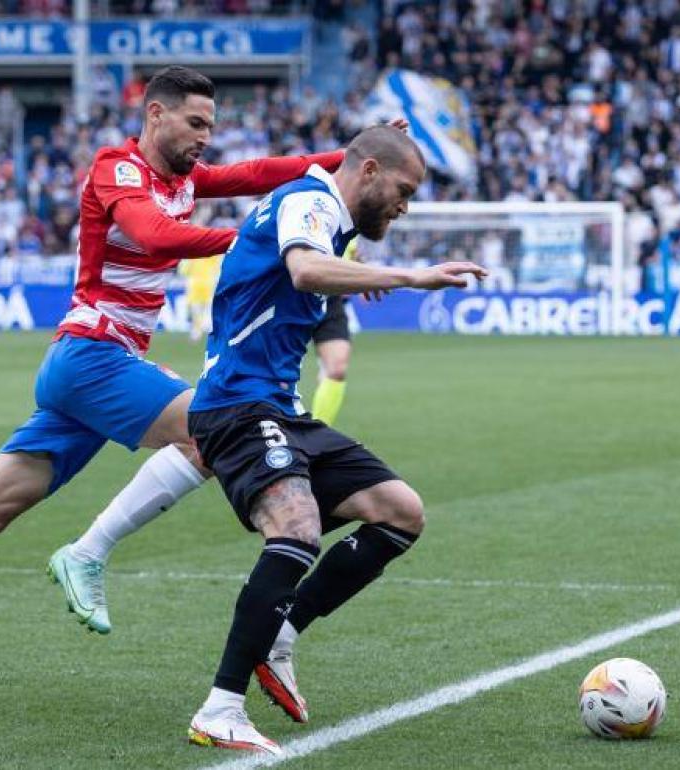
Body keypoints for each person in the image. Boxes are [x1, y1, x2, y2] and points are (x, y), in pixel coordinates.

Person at [0, 66, 350, 680]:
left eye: (211, 127)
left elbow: (259, 172)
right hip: (91, 355)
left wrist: (343, 159)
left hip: (97, 367)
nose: (205, 138)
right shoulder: (117, 167)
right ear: (154, 114)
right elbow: (152, 234)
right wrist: (253, 239)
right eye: (195, 123)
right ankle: (89, 552)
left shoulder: (185, 179)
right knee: (211, 430)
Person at [184, 125, 487, 754]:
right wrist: (407, 276)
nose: (406, 206)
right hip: (236, 405)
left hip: (280, 410)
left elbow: (315, 258)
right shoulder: (310, 201)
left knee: (400, 512)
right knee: (294, 528)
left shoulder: (330, 216)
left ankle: (283, 633)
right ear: (369, 170)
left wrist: (357, 266)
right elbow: (302, 270)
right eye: (403, 191)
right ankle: (220, 708)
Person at [309, 236, 357, 424]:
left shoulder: (354, 222)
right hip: (295, 294)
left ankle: (318, 432)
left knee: (336, 368)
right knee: (276, 373)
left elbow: (351, 255)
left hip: (330, 297)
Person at [180, 250, 222, 341]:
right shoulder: (212, 252)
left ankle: (197, 331)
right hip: (206, 283)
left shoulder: (191, 253)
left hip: (197, 284)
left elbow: (183, 270)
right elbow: (218, 267)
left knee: (197, 309)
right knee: (203, 309)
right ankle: (200, 330)